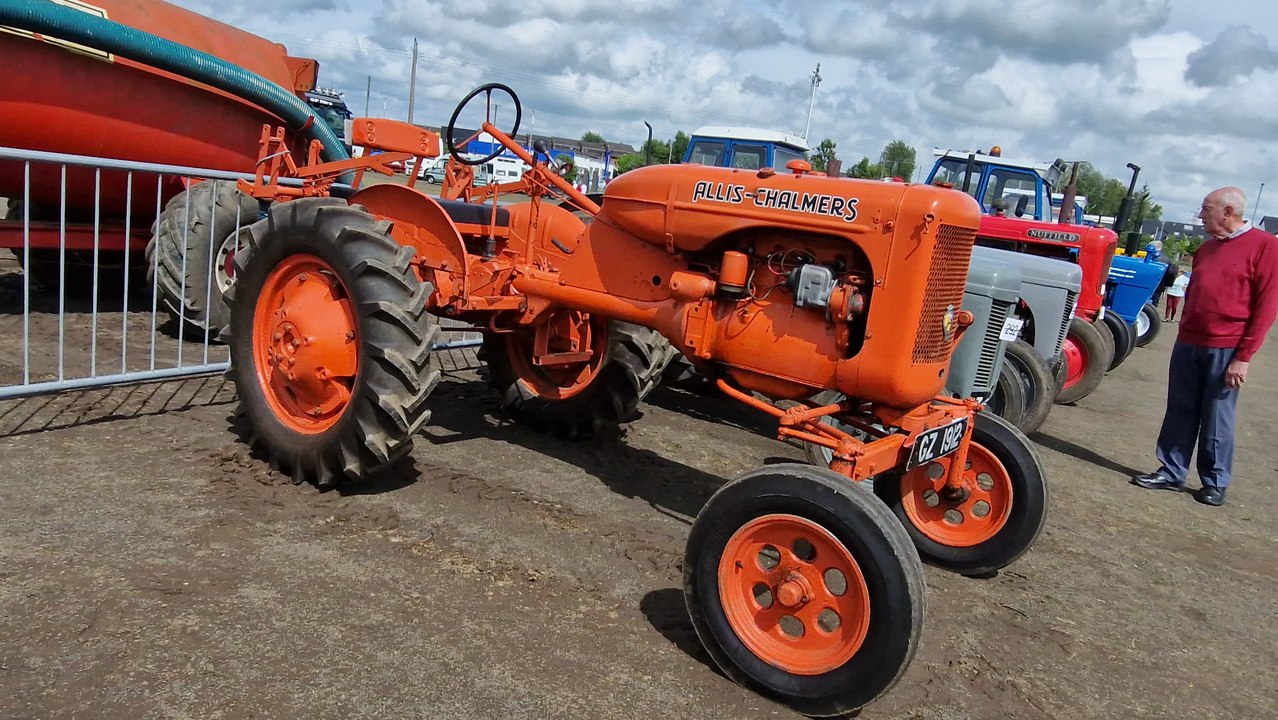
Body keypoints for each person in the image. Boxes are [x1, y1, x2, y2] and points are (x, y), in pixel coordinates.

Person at [1132, 186, 1278, 506]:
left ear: (1228, 212)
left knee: (1217, 414)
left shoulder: (1266, 247)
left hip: (1227, 346)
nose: (1200, 216)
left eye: (1206, 209)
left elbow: (1267, 306)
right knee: (1180, 409)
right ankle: (1171, 470)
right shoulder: (1207, 249)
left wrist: (1244, 356)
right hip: (1190, 342)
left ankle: (1214, 480)